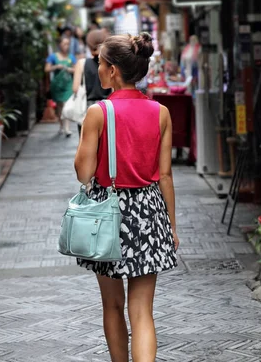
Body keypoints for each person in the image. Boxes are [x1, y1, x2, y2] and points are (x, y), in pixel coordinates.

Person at [74, 32, 179, 362]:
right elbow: (165, 176)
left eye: (100, 64)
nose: (98, 69)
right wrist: (171, 227)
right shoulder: (160, 112)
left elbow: (83, 173)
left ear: (114, 70)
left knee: (113, 305)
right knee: (143, 311)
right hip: (150, 211)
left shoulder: (98, 113)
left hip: (108, 213)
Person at [73, 29, 111, 136]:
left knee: (86, 145)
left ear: (89, 45)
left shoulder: (81, 63)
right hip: (107, 109)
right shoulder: (110, 63)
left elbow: (75, 88)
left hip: (87, 109)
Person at [45, 36, 76, 137]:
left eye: (67, 44)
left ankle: (67, 128)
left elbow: (76, 69)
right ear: (59, 45)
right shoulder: (53, 57)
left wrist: (68, 69)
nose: (66, 46)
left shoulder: (71, 57)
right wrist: (56, 67)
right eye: (64, 44)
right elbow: (46, 69)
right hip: (57, 85)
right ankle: (61, 125)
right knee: (59, 105)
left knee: (66, 104)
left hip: (68, 84)